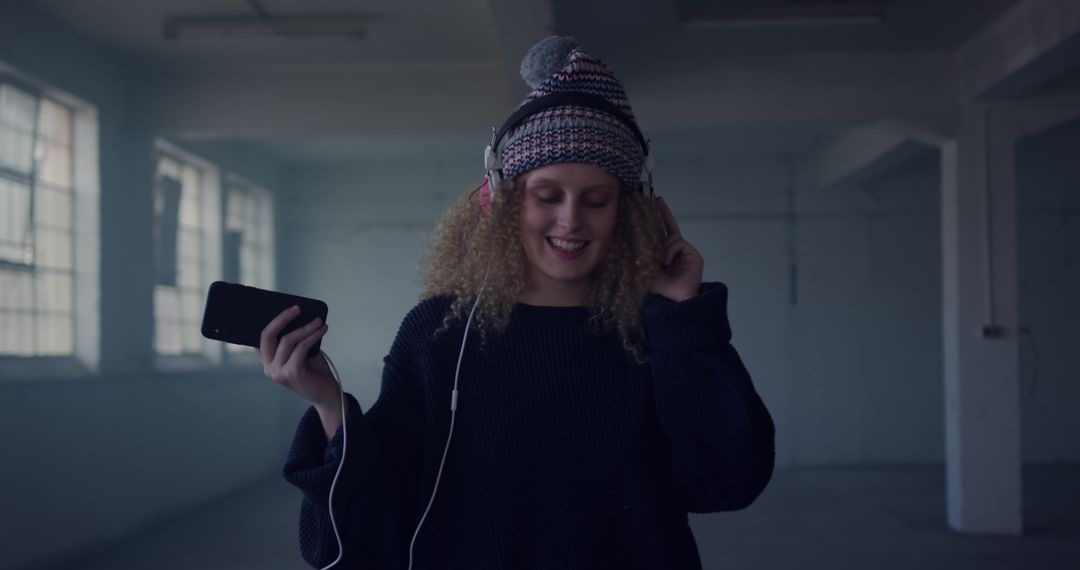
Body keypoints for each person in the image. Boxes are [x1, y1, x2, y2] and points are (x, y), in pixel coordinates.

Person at [259, 36, 775, 570]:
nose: (571, 220)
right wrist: (328, 406)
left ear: (631, 210)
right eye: (547, 196)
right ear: (499, 201)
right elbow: (368, 524)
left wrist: (683, 319)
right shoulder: (440, 332)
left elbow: (725, 484)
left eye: (596, 200)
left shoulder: (660, 330)